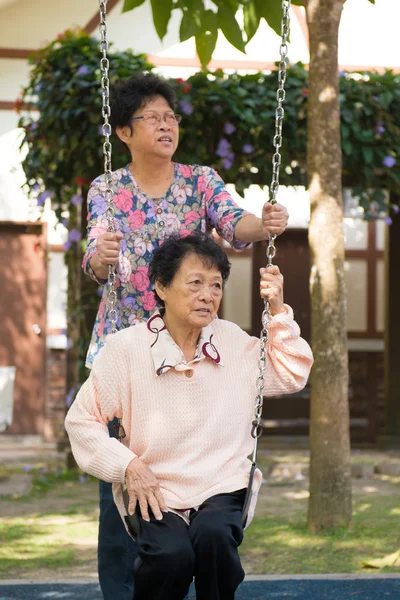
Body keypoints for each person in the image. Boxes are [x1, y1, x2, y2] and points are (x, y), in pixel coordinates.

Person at [82, 72, 290, 599]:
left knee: (189, 462)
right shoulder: (107, 188)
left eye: (170, 117)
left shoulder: (199, 179)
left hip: (188, 347)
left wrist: (262, 224)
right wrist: (100, 258)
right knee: (124, 480)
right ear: (124, 132)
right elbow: (96, 254)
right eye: (152, 117)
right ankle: (123, 591)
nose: (166, 125)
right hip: (127, 350)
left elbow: (232, 221)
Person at [67, 232, 313, 600]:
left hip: (221, 483)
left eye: (216, 285)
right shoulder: (125, 349)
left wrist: (277, 309)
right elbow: (81, 421)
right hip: (155, 488)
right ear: (162, 287)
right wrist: (127, 466)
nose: (208, 294)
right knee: (171, 557)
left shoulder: (232, 342)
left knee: (213, 539)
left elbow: (292, 372)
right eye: (195, 283)